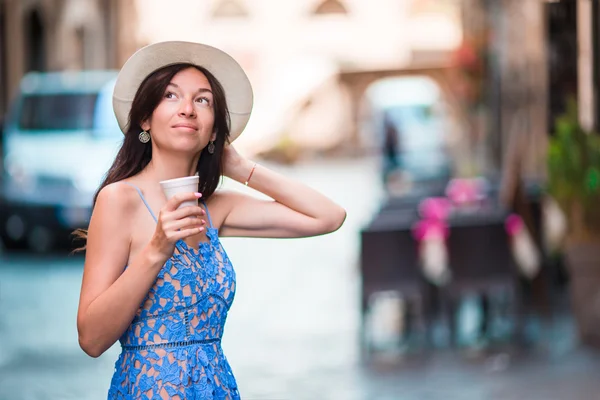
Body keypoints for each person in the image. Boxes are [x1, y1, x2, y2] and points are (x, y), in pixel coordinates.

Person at [75, 41, 346, 399]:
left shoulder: (216, 209)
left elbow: (328, 216)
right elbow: (91, 339)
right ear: (144, 118)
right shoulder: (119, 200)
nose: (187, 109)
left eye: (203, 100)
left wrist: (239, 167)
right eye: (171, 96)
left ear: (215, 129)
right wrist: (156, 250)